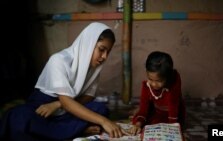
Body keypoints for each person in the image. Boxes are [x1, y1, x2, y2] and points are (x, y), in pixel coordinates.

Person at [0, 22, 129, 141]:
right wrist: (104, 121)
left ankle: (65, 132)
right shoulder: (59, 60)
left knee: (100, 108)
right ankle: (75, 130)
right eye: (101, 49)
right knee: (19, 117)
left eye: (108, 51)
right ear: (88, 44)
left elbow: (88, 96)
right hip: (44, 109)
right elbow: (67, 103)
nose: (104, 56)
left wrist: (58, 105)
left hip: (66, 109)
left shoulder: (93, 68)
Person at [128, 51, 186, 135]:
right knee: (138, 119)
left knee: (171, 127)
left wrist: (172, 127)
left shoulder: (174, 83)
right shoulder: (146, 86)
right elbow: (144, 108)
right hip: (157, 110)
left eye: (159, 81)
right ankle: (137, 112)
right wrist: (138, 124)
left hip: (173, 112)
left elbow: (173, 105)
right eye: (150, 79)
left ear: (167, 77)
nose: (154, 84)